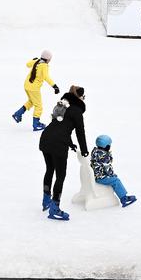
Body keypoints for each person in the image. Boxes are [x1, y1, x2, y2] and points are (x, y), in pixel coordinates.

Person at [38, 85, 87, 221]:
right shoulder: (77, 110)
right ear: (80, 97)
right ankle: (55, 208)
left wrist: (70, 143)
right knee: (60, 175)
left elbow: (60, 126)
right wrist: (84, 151)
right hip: (58, 144)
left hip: (46, 138)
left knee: (49, 169)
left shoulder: (63, 106)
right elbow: (80, 132)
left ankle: (46, 200)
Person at [90, 134, 140, 208]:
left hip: (97, 175)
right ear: (106, 146)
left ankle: (123, 196)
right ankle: (123, 198)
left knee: (115, 179)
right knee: (116, 181)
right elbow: (107, 168)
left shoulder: (96, 152)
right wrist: (112, 175)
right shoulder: (103, 156)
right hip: (101, 177)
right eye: (109, 145)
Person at [12, 51, 57, 130]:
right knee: (38, 106)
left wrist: (33, 59)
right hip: (34, 88)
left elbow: (27, 64)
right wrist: (54, 86)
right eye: (50, 59)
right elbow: (46, 77)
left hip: (27, 85)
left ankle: (18, 114)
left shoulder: (37, 61)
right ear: (47, 59)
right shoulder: (44, 66)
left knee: (31, 102)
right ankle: (36, 124)